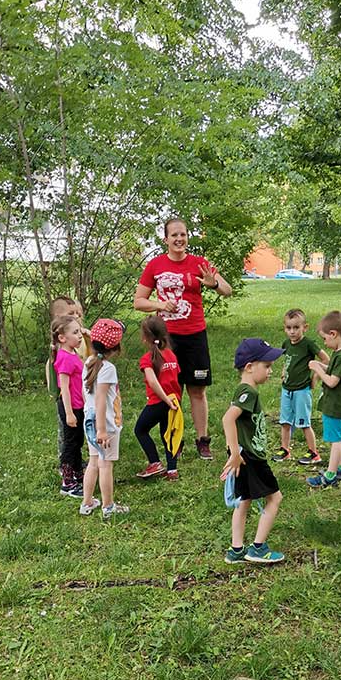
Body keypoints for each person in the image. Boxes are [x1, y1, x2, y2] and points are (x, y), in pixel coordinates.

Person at [134, 217, 232, 461]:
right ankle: (173, 440)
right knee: (170, 390)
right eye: (174, 235)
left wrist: (214, 284)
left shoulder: (199, 263)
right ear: (165, 239)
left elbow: (227, 290)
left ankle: (202, 440)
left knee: (197, 390)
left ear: (188, 237)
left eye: (183, 234)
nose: (179, 239)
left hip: (195, 335)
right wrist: (159, 304)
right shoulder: (155, 265)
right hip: (166, 339)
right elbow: (139, 301)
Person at [221, 338, 285, 565]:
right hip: (250, 457)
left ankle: (236, 549)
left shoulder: (245, 390)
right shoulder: (249, 392)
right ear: (249, 367)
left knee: (244, 500)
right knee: (275, 498)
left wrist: (234, 452)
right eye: (267, 366)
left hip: (244, 455)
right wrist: (234, 454)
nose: (270, 371)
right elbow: (228, 419)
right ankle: (258, 548)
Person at [80, 319, 129, 520]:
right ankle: (108, 506)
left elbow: (88, 397)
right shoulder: (107, 368)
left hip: (89, 419)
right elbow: (101, 400)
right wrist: (102, 430)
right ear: (116, 347)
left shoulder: (89, 362)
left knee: (93, 462)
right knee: (105, 464)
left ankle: (87, 503)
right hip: (105, 425)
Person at [272, 308, 329, 465]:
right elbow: (288, 360)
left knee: (304, 423)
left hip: (302, 390)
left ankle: (313, 453)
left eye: (296, 327)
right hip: (286, 389)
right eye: (288, 328)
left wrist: (315, 376)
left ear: (305, 327)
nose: (292, 332)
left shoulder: (308, 344)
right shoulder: (286, 343)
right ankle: (285, 450)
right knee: (285, 422)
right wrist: (284, 371)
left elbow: (326, 360)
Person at [306, 311, 341, 488]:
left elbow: (332, 381)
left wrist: (318, 370)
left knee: (335, 441)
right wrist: (321, 365)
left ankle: (330, 475)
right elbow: (335, 372)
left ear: (333, 334)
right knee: (338, 437)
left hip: (335, 407)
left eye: (325, 339)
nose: (325, 343)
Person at [134, 315, 182, 481]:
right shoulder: (171, 355)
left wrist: (166, 400)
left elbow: (153, 382)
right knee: (168, 434)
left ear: (145, 338)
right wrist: (174, 400)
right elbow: (176, 378)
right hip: (174, 402)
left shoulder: (147, 359)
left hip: (159, 402)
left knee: (140, 430)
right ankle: (172, 470)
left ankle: (154, 463)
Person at [52, 313, 86, 497]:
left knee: (78, 440)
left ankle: (78, 472)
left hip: (79, 405)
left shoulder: (73, 353)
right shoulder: (64, 357)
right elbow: (64, 388)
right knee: (70, 443)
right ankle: (67, 482)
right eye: (75, 332)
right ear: (62, 338)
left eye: (79, 331)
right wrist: (70, 413)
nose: (79, 336)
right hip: (70, 407)